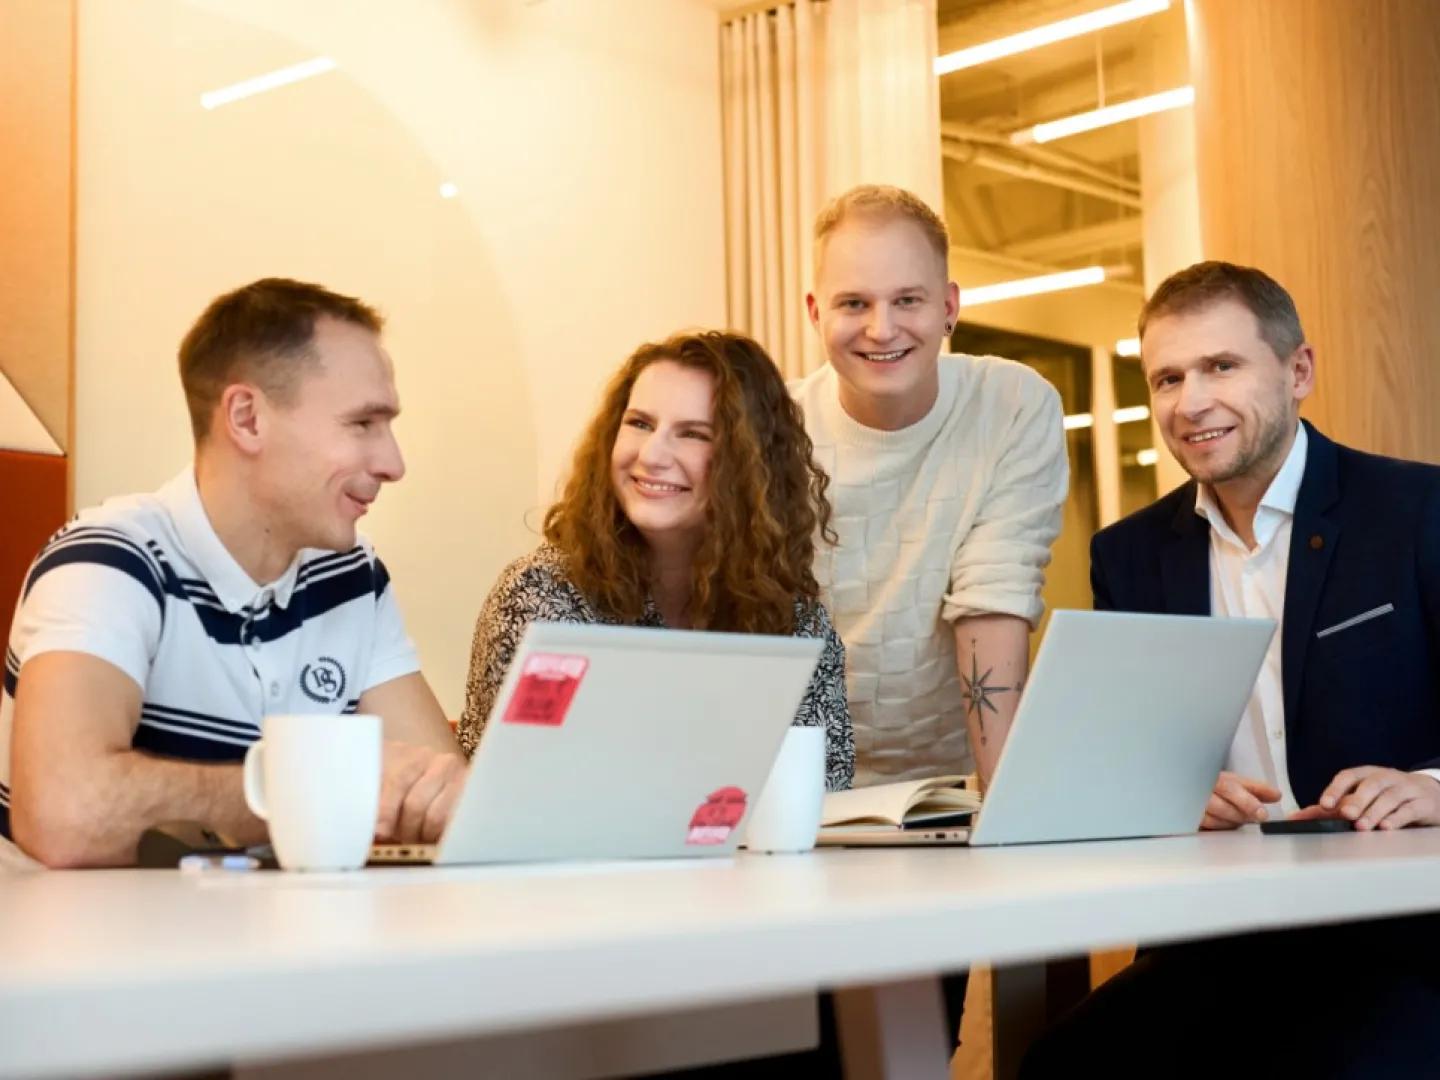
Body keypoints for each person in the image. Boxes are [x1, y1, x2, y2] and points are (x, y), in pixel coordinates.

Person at [1022, 261, 1440, 1077]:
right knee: (1061, 1066)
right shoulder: (1130, 555)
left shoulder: (1418, 513)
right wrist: (1168, 791)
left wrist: (1436, 786)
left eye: (1222, 366)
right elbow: (1126, 757)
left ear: (1298, 371)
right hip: (1221, 937)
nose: (1191, 401)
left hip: (1403, 936)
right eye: (1168, 377)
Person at [1, 278, 466, 868]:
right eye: (363, 424)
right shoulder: (109, 560)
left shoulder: (353, 578)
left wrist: (430, 797)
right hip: (89, 954)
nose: (392, 463)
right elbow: (65, 813)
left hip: (277, 947)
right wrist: (307, 787)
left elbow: (442, 799)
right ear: (246, 418)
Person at [792, 183, 1069, 1053]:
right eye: (853, 303)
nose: (882, 327)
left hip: (942, 799)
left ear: (950, 307)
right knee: (803, 1046)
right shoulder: (777, 429)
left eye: (908, 299)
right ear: (814, 311)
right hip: (803, 801)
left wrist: (1009, 809)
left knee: (915, 1040)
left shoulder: (1012, 405)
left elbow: (993, 599)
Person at [459, 330, 854, 791]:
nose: (651, 455)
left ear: (752, 467)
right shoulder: (540, 596)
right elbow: (518, 793)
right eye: (640, 424)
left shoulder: (795, 621)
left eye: (693, 434)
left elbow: (824, 790)